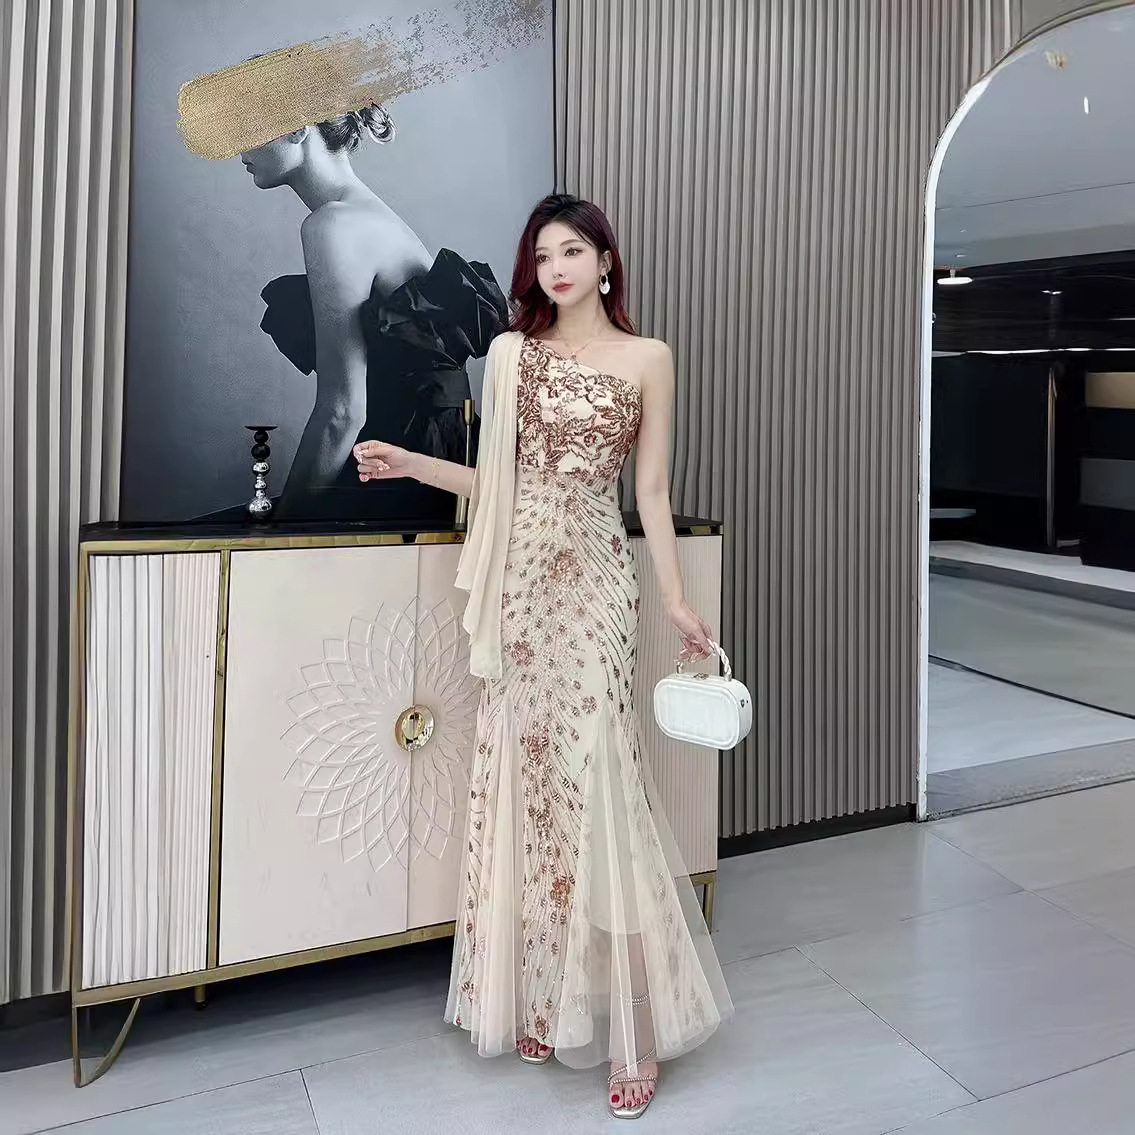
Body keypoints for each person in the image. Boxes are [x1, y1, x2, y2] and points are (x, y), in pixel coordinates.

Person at [353, 193, 733, 1119]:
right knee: (531, 787)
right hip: (521, 586)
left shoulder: (648, 358)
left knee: (600, 780)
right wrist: (414, 464)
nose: (555, 268)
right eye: (543, 254)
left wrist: (674, 599)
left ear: (605, 261)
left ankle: (633, 1031)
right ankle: (543, 996)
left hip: (597, 580)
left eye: (572, 251)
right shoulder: (511, 355)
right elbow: (504, 485)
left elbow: (650, 492)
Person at [238, 102, 506, 520]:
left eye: (248, 126)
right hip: (428, 453)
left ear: (297, 129)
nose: (240, 148)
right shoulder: (362, 212)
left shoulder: (335, 224)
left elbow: (342, 413)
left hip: (403, 466)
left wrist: (282, 532)